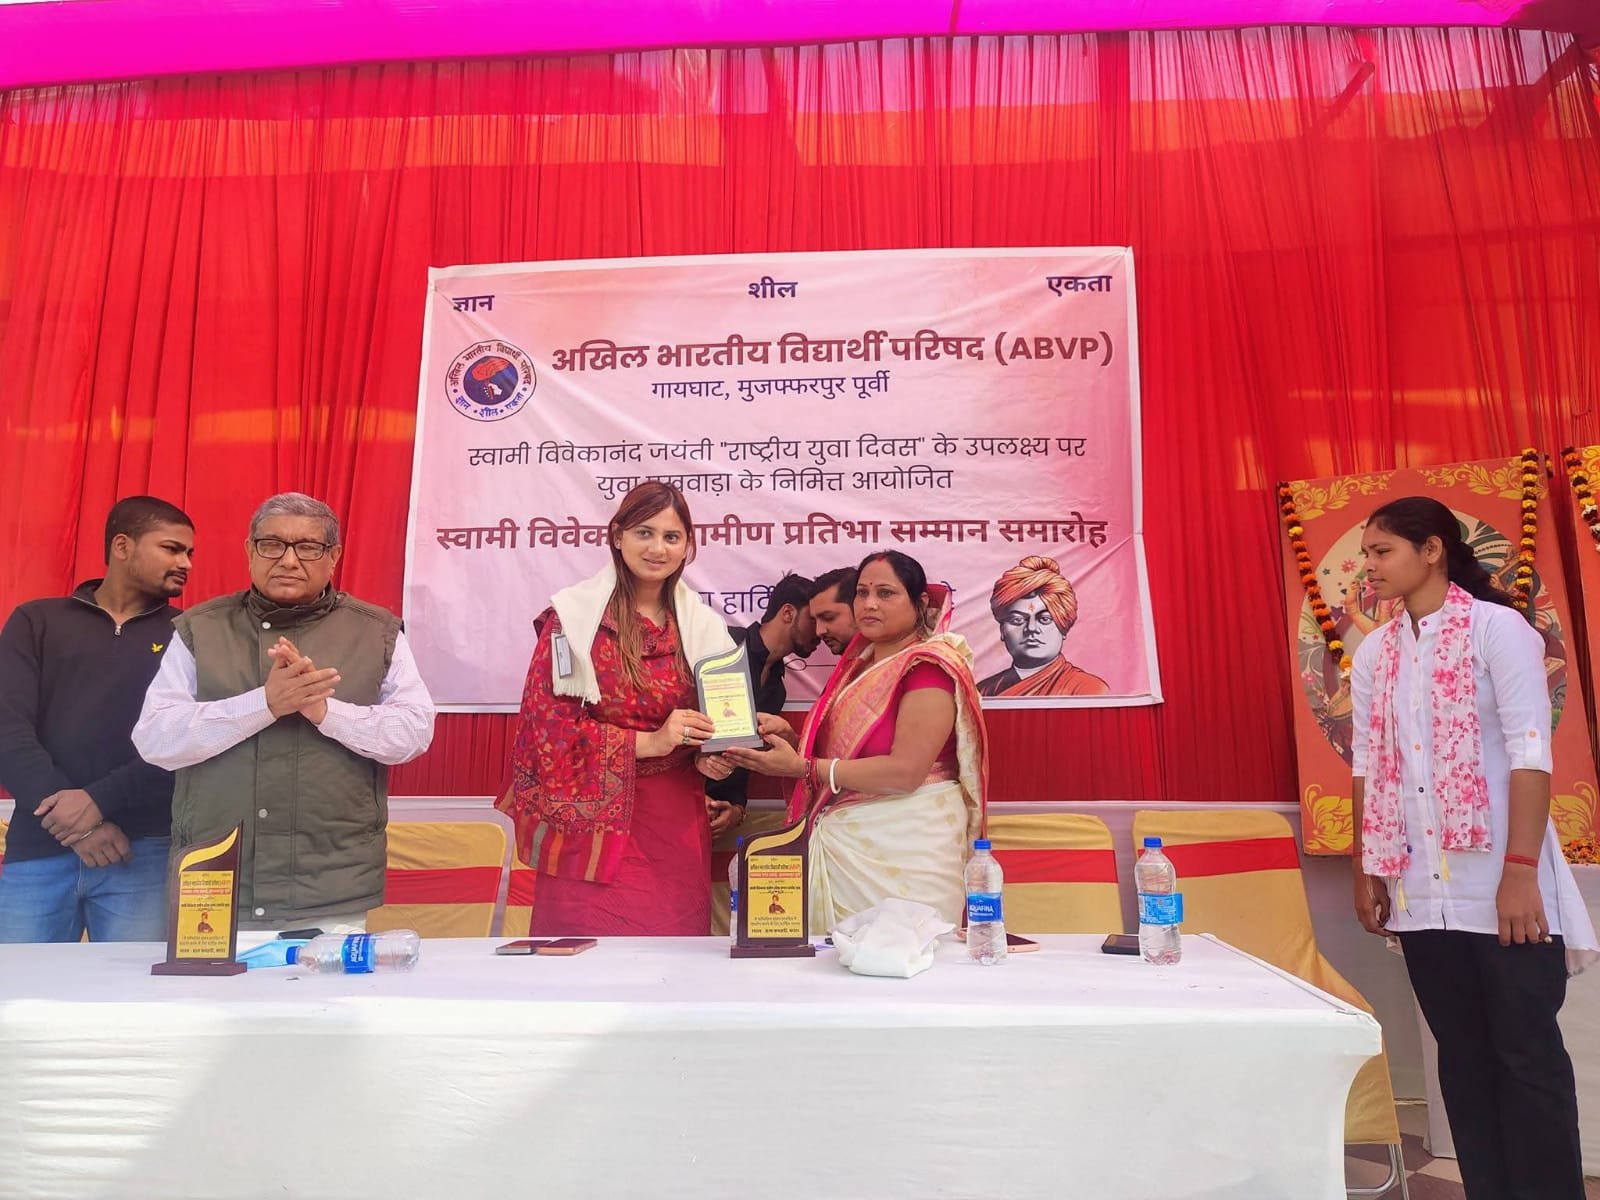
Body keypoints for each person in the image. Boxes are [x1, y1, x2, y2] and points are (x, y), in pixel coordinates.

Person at [1350, 496, 1597, 1200]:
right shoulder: (1374, 653)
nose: (1369, 568)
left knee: (1526, 1059)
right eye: (1366, 554)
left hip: (1504, 885)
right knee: (1461, 1059)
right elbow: (1365, 764)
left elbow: (1530, 753)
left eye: (1381, 552)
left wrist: (1519, 873)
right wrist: (1369, 869)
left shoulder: (1498, 630)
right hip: (1420, 890)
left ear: (1431, 550)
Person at [133, 492, 436, 930]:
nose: (289, 561)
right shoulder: (201, 628)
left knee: (324, 980)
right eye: (272, 545)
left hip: (330, 885)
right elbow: (155, 739)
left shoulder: (376, 632)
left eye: (308, 547)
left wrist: (324, 711)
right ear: (249, 551)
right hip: (217, 878)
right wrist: (264, 704)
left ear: (334, 557)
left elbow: (412, 733)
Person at [499, 482, 736, 936]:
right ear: (617, 535)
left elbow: (718, 724)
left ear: (687, 546)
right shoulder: (572, 622)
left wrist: (714, 756)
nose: (658, 549)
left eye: (672, 537)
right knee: (583, 959)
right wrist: (650, 742)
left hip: (673, 823)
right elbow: (549, 732)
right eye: (644, 533)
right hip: (589, 830)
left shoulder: (705, 630)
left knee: (670, 959)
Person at [726, 550, 988, 932]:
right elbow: (846, 760)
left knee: (905, 959)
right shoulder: (858, 669)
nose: (869, 604)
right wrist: (793, 741)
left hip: (907, 848)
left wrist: (802, 767)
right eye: (862, 593)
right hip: (845, 845)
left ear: (919, 603)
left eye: (886, 593)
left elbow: (905, 773)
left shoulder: (928, 668)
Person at [0, 497, 195, 942]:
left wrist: (100, 802)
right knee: (18, 987)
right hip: (39, 848)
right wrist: (79, 825)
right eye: (171, 548)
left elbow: (188, 740)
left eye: (189, 553)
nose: (185, 563)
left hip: (142, 851)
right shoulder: (36, 621)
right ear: (122, 546)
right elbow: (7, 729)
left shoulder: (190, 633)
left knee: (133, 989)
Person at [704, 573, 819, 833]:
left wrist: (736, 807)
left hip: (714, 819)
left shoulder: (777, 690)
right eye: (814, 619)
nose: (821, 631)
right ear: (788, 612)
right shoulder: (722, 644)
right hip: (670, 805)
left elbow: (743, 758)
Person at [976, 555, 1107, 697]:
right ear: (1002, 630)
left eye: (1044, 619)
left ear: (1063, 627)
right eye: (1017, 620)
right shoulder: (984, 691)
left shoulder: (1087, 689)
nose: (1031, 629)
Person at [806, 567, 858, 656]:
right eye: (815, 621)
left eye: (828, 618)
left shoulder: (883, 662)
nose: (819, 631)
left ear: (858, 610)